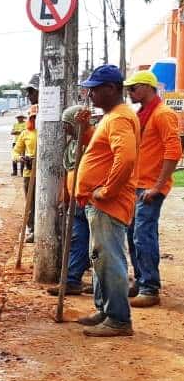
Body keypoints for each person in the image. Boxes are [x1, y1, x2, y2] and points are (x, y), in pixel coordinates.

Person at [74, 65, 140, 337]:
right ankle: (105, 309)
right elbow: (102, 153)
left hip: (108, 203)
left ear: (111, 89)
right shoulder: (112, 117)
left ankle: (118, 319)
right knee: (99, 257)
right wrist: (85, 129)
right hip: (99, 203)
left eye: (94, 89)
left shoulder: (119, 118)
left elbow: (126, 158)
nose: (89, 94)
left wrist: (107, 190)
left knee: (109, 259)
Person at [123, 70, 181, 308]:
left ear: (147, 88)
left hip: (150, 187)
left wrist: (157, 186)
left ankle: (150, 287)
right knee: (132, 234)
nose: (130, 92)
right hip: (138, 185)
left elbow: (174, 152)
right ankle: (141, 280)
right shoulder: (143, 114)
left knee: (142, 235)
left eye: (134, 88)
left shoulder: (162, 114)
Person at [47, 104, 95, 296]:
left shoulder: (93, 140)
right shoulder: (72, 145)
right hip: (75, 201)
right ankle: (72, 280)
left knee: (97, 246)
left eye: (67, 124)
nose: (64, 129)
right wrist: (64, 197)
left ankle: (101, 284)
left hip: (91, 200)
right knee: (75, 240)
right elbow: (69, 173)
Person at [12, 105, 38, 242]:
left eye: (36, 116)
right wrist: (20, 158)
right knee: (30, 203)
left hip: (47, 175)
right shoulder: (26, 133)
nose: (34, 119)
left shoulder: (49, 130)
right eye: (33, 117)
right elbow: (15, 151)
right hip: (30, 173)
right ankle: (32, 230)